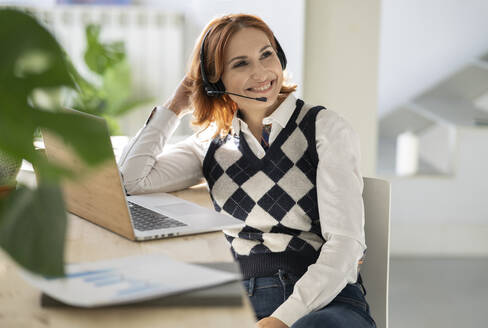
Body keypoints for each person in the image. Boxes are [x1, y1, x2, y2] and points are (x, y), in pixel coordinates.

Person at [119, 13, 376, 328]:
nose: (262, 72)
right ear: (215, 81)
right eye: (241, 64)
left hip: (324, 301)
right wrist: (174, 107)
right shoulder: (211, 143)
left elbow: (347, 244)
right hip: (242, 299)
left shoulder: (323, 128)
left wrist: (282, 319)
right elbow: (132, 180)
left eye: (266, 54)